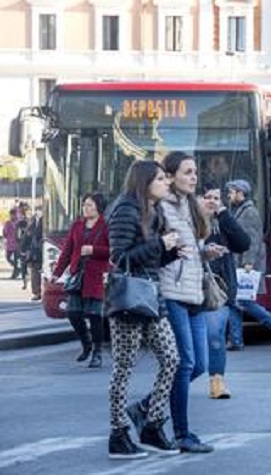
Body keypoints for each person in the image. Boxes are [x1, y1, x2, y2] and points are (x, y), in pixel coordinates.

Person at [107, 160, 181, 459]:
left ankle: (151, 424)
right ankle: (118, 433)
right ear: (145, 182)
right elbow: (120, 257)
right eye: (161, 178)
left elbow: (150, 259)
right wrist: (160, 244)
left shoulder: (156, 211)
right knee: (123, 367)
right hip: (128, 300)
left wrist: (172, 251)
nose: (167, 183)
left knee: (171, 359)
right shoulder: (126, 210)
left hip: (152, 297)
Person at [152, 151, 216, 453]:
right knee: (184, 362)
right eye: (187, 172)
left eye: (194, 172)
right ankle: (181, 433)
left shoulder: (191, 205)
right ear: (172, 175)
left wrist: (206, 252)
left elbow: (191, 250)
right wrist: (170, 250)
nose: (193, 177)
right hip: (172, 292)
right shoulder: (161, 207)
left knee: (200, 364)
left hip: (195, 293)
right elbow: (158, 250)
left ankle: (147, 407)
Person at [199, 183, 250, 399]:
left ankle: (217, 381)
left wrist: (223, 215)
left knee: (215, 336)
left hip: (218, 289)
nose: (212, 201)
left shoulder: (224, 222)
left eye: (217, 198)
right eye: (208, 197)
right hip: (189, 287)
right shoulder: (188, 221)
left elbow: (243, 243)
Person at [225, 179, 271, 349]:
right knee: (235, 300)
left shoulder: (249, 212)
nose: (229, 195)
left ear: (240, 193)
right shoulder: (239, 210)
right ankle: (236, 339)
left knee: (242, 300)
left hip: (245, 263)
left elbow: (253, 240)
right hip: (238, 261)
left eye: (231, 191)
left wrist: (248, 262)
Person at [52, 193, 110, 368]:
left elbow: (113, 250)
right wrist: (57, 272)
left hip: (96, 277)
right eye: (84, 205)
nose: (86, 208)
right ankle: (87, 343)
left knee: (95, 315)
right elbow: (67, 251)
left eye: (90, 205)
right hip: (77, 276)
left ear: (99, 207)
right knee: (73, 313)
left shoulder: (106, 226)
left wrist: (93, 250)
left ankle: (97, 353)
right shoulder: (77, 226)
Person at [24, 206, 43, 301]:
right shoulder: (32, 222)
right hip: (34, 251)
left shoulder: (46, 220)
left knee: (38, 272)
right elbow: (26, 236)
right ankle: (36, 292)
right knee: (34, 272)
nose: (38, 213)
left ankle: (40, 292)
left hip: (42, 249)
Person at [3, 208, 19, 279]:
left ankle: (14, 274)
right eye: (12, 214)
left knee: (15, 260)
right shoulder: (8, 223)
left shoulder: (19, 223)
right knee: (8, 258)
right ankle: (18, 269)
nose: (13, 216)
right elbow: (5, 233)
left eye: (14, 214)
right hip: (10, 244)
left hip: (17, 244)